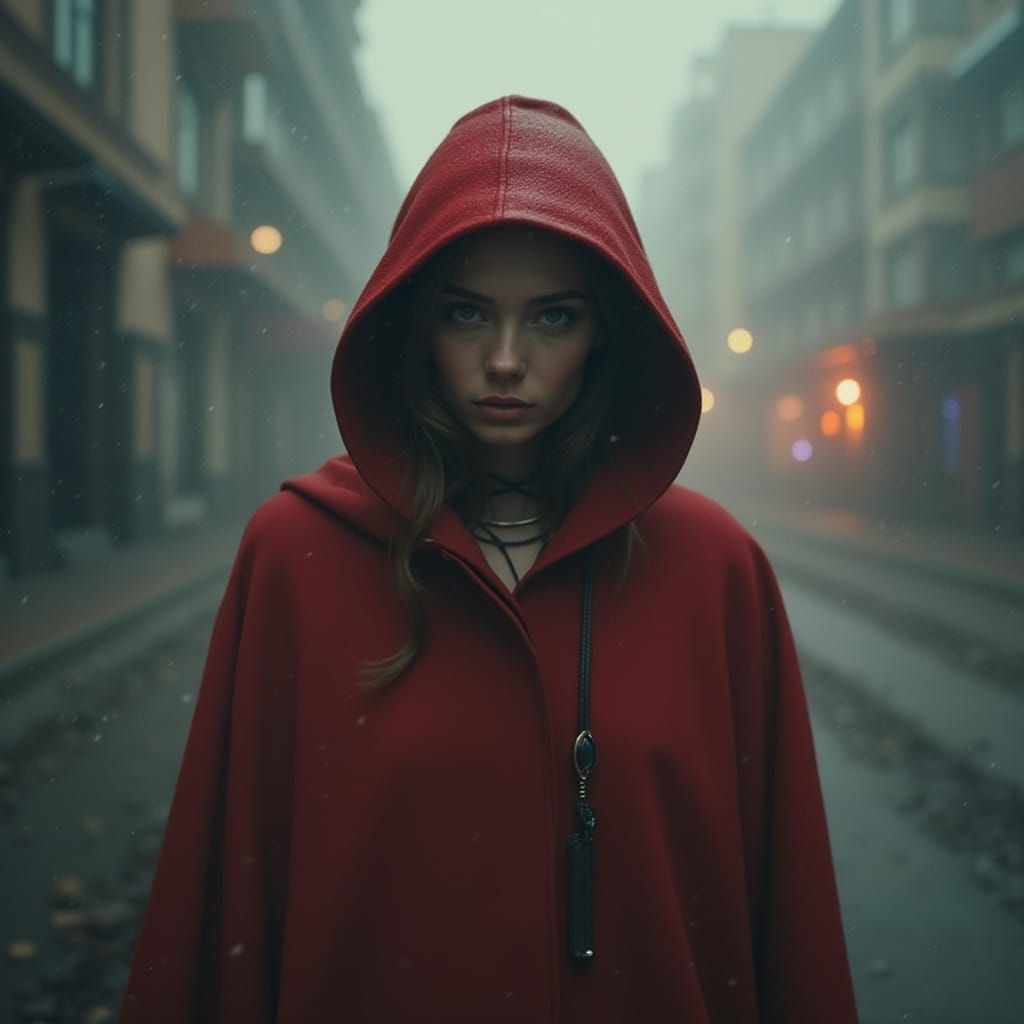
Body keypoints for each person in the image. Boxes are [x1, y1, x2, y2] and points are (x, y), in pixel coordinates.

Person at [119, 96, 858, 1023]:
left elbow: (783, 920)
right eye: (469, 313)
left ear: (605, 335)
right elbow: (223, 897)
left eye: (552, 318)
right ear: (416, 324)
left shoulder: (716, 573)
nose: (505, 360)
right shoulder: (295, 557)